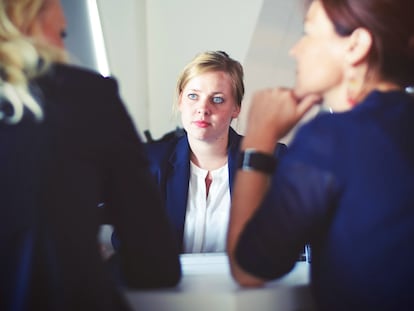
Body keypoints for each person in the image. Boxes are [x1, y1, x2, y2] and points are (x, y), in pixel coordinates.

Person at [227, 0, 414, 310]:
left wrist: (259, 138)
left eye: (309, 33)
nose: (295, 50)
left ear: (355, 45)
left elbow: (248, 268)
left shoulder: (329, 139)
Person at [0, 0, 181, 310]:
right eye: (64, 33)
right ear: (31, 15)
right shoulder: (88, 97)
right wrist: (88, 259)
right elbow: (155, 263)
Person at [144, 51, 287, 253]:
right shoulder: (150, 163)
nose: (203, 108)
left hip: (245, 284)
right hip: (169, 284)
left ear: (236, 108)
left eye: (217, 99)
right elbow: (127, 243)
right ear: (180, 101)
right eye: (193, 96)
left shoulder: (271, 159)